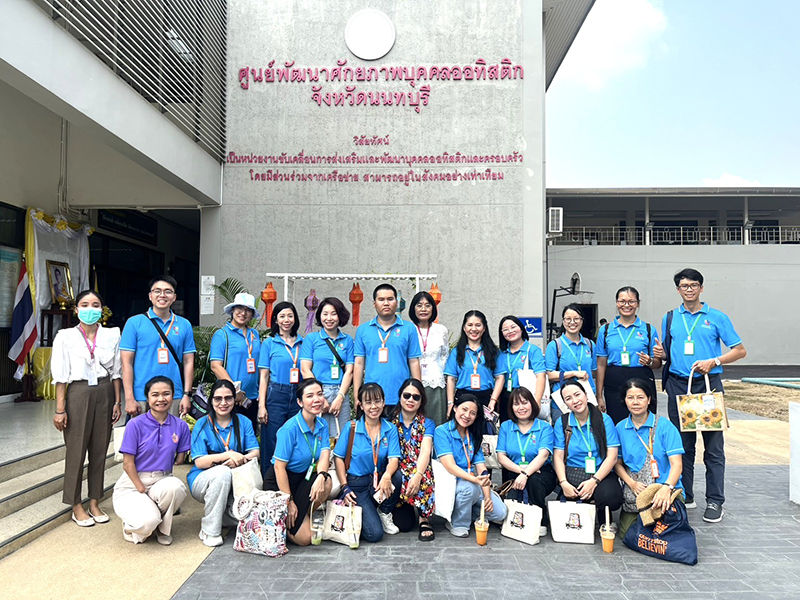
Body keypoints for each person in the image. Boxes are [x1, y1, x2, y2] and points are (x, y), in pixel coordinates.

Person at [653, 268, 746, 523]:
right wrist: (660, 357)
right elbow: (667, 355)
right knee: (682, 446)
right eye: (684, 286)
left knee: (713, 447)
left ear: (701, 288)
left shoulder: (716, 317)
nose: (689, 289)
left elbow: (740, 350)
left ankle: (715, 501)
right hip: (679, 387)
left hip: (708, 386)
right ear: (678, 289)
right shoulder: (670, 318)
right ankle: (686, 494)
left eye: (694, 285)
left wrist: (714, 360)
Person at [51, 290, 122, 527]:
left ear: (102, 310)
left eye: (95, 305)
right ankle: (75, 504)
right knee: (76, 450)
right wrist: (61, 409)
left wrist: (117, 401)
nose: (90, 309)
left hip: (104, 391)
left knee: (100, 450)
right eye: (84, 304)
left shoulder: (112, 335)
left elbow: (117, 372)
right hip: (78, 393)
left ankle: (94, 501)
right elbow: (61, 376)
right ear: (76, 309)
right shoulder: (65, 336)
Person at [112, 376, 191, 545]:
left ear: (173, 396)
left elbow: (180, 459)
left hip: (162, 479)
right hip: (133, 483)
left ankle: (163, 530)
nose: (161, 399)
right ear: (147, 398)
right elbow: (127, 464)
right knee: (147, 522)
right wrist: (142, 489)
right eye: (155, 394)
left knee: (176, 487)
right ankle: (131, 525)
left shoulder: (180, 426)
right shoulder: (135, 424)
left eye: (166, 394)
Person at [188, 379, 260, 547]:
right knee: (222, 473)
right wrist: (227, 456)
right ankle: (209, 530)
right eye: (218, 398)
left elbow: (255, 452)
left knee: (250, 521)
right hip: (203, 480)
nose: (223, 403)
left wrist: (240, 459)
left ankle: (223, 516)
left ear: (234, 400)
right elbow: (199, 461)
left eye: (228, 398)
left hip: (237, 479)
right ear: (211, 400)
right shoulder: (202, 423)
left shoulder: (243, 421)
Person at [263, 378, 333, 546]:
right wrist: (289, 501)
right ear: (300, 402)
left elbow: (324, 455)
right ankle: (282, 523)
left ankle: (303, 515)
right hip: (281, 482)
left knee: (327, 482)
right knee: (305, 539)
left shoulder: (322, 424)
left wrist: (321, 476)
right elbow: (279, 468)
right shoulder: (289, 429)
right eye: (310, 396)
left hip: (304, 477)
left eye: (320, 394)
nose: (316, 399)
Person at [614, 378, 684, 538]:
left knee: (664, 532)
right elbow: (617, 464)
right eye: (630, 398)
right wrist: (631, 483)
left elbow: (677, 465)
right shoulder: (620, 428)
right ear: (624, 400)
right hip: (637, 491)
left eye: (640, 397)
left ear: (649, 399)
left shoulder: (665, 426)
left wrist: (667, 488)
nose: (635, 402)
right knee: (628, 535)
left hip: (666, 488)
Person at [333, 383, 402, 543]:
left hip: (378, 484)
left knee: (396, 477)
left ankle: (383, 512)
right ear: (361, 405)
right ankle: (366, 514)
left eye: (377, 401)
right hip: (357, 485)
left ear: (384, 402)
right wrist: (344, 487)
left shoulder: (389, 429)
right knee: (375, 535)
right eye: (368, 402)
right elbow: (338, 458)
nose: (373, 406)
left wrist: (387, 476)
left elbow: (394, 459)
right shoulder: (351, 428)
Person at [120, 275, 195, 417]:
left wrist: (187, 394)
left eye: (168, 291)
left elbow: (188, 361)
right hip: (142, 395)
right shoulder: (134, 323)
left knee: (172, 437)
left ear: (174, 297)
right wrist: (129, 397)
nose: (162, 295)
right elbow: (126, 363)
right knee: (143, 438)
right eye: (157, 291)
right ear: (150, 296)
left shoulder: (184, 324)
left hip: (174, 394)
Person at [434, 393, 507, 537]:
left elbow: (482, 470)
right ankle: (457, 523)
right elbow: (450, 466)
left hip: (473, 485)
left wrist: (487, 497)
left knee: (500, 513)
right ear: (455, 408)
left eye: (473, 413)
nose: (467, 415)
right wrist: (474, 480)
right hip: (451, 485)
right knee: (469, 488)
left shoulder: (473, 436)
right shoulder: (441, 431)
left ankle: (465, 511)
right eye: (464, 409)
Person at [552, 378, 623, 524]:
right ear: (565, 404)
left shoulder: (604, 420)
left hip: (600, 473)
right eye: (568, 398)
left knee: (611, 496)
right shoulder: (563, 422)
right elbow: (558, 456)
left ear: (586, 394)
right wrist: (563, 482)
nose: (575, 401)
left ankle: (604, 519)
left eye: (577, 394)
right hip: (572, 472)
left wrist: (594, 481)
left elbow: (612, 456)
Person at [595, 287, 661, 424]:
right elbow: (601, 364)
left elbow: (658, 363)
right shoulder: (605, 330)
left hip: (642, 378)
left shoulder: (648, 329)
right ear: (616, 303)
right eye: (622, 301)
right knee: (617, 423)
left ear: (638, 304)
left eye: (631, 301)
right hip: (614, 381)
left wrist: (649, 361)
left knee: (644, 421)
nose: (626, 305)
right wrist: (599, 395)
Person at [496, 387, 556, 534]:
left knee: (534, 479)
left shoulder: (544, 427)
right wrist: (522, 472)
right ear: (511, 408)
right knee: (507, 511)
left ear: (532, 404)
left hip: (542, 473)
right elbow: (501, 457)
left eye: (525, 402)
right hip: (514, 472)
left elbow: (543, 455)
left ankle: (541, 518)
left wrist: (526, 474)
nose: (521, 407)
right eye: (516, 404)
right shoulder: (506, 426)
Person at [353, 283, 421, 413]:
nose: (386, 303)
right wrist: (357, 395)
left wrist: (417, 394)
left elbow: (414, 362)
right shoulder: (363, 330)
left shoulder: (409, 329)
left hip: (402, 397)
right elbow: (359, 364)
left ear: (397, 302)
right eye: (381, 299)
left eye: (390, 299)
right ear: (374, 303)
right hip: (372, 399)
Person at [257, 301, 303, 473]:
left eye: (290, 316)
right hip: (276, 394)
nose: (286, 320)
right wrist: (262, 406)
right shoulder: (269, 343)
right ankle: (269, 483)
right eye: (282, 316)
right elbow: (263, 376)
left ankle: (290, 480)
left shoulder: (302, 343)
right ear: (275, 320)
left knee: (295, 438)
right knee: (272, 440)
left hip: (298, 394)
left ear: (295, 319)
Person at [389, 378, 436, 541]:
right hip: (398, 468)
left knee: (425, 476)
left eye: (416, 397)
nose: (410, 400)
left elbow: (425, 451)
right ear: (400, 396)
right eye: (407, 395)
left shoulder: (428, 423)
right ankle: (399, 505)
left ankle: (424, 517)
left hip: (419, 468)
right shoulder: (390, 422)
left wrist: (417, 475)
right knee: (404, 525)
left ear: (422, 400)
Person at [299, 296, 354, 434]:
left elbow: (349, 371)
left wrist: (340, 397)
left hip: (341, 391)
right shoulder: (311, 339)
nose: (329, 318)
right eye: (325, 314)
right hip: (317, 392)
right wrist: (320, 397)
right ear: (320, 316)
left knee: (342, 436)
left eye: (333, 314)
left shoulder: (348, 340)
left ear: (340, 316)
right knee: (316, 434)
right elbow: (305, 369)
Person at [209, 292, 262, 430]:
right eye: (239, 308)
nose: (243, 313)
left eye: (248, 310)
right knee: (231, 437)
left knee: (248, 438)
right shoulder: (222, 335)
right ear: (232, 310)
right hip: (229, 398)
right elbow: (215, 366)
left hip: (251, 398)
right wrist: (234, 390)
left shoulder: (254, 334)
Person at [444, 310, 504, 419]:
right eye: (470, 325)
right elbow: (451, 379)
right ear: (464, 327)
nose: (474, 329)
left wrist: (493, 401)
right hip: (462, 398)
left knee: (485, 434)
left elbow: (500, 378)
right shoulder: (457, 352)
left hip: (486, 399)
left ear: (484, 328)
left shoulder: (493, 351)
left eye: (478, 325)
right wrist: (450, 403)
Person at [546, 304, 597, 420]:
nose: (572, 322)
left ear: (582, 321)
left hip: (587, 399)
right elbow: (549, 374)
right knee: (564, 434)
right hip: (563, 402)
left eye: (576, 319)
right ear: (563, 322)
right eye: (568, 319)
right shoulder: (555, 346)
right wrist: (574, 374)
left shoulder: (590, 345)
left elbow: (593, 372)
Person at [408, 291, 449, 425]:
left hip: (436, 383)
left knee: (436, 423)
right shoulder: (408, 329)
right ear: (413, 308)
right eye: (419, 305)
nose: (423, 309)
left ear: (433, 308)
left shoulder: (441, 330)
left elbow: (444, 356)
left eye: (427, 305)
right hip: (412, 384)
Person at [497, 315, 547, 423]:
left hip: (526, 396)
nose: (510, 331)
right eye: (505, 330)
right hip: (506, 397)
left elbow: (541, 376)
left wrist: (536, 401)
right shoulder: (502, 353)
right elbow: (499, 379)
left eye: (513, 327)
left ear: (521, 328)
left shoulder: (533, 350)